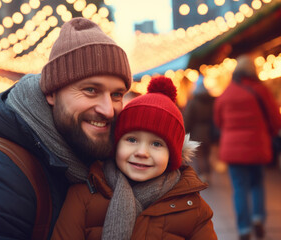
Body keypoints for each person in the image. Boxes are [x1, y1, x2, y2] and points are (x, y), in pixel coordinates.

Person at [0, 17, 132, 240]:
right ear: (51, 93)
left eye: (117, 94)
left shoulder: (108, 161)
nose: (108, 110)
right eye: (90, 90)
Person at [51, 76, 217, 240]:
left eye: (157, 144)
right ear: (116, 144)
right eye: (132, 140)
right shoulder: (84, 195)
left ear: (172, 154)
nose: (142, 152)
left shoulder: (193, 209)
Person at [213, 55, 281, 240]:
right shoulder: (261, 90)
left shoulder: (226, 93)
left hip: (233, 150)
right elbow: (276, 119)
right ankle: (258, 217)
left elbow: (218, 121)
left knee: (239, 188)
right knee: (257, 184)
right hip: (257, 147)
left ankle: (243, 229)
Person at [183, 75, 217, 183]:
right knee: (207, 155)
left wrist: (185, 131)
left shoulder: (193, 102)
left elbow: (188, 118)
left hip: (197, 132)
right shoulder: (211, 101)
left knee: (200, 156)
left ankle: (203, 175)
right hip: (209, 131)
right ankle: (207, 174)